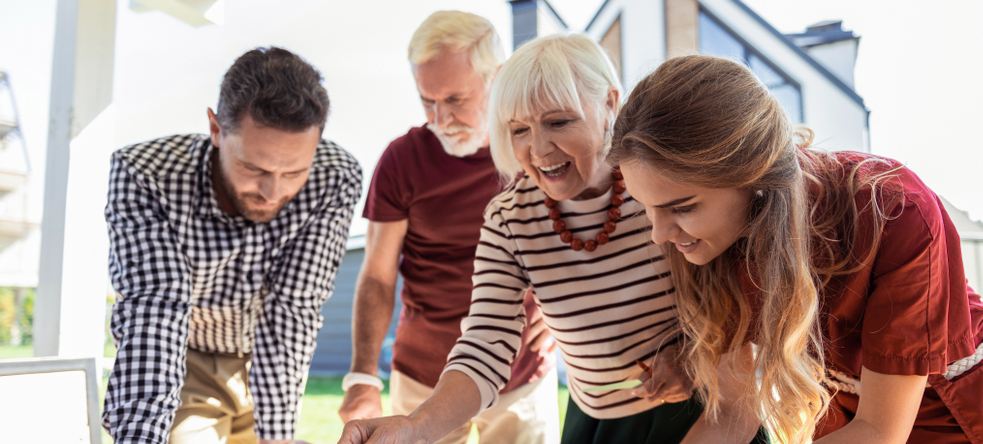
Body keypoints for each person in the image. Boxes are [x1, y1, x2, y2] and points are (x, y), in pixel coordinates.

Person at [338, 33, 723, 444]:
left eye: (559, 122)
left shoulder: (659, 183)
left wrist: (699, 353)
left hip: (702, 408)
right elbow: (486, 343)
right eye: (519, 129)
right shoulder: (509, 219)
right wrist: (417, 426)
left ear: (610, 103)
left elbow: (732, 283)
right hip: (595, 421)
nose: (538, 149)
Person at [608, 54, 983, 443]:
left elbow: (881, 431)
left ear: (753, 175)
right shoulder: (716, 245)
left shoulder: (896, 211)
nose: (659, 235)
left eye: (682, 208)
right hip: (843, 421)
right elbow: (730, 416)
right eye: (647, 209)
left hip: (951, 418)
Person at [103, 47, 362, 444]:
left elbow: (292, 309)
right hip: (188, 364)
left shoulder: (335, 178)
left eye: (294, 172)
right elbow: (154, 315)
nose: (273, 192)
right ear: (216, 129)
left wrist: (277, 438)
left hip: (272, 362)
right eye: (253, 168)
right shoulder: (146, 176)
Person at [336, 10, 559, 444]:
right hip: (423, 375)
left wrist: (560, 312)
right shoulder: (401, 160)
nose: (439, 118)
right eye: (427, 100)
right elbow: (378, 275)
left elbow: (574, 240)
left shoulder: (536, 151)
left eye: (455, 99)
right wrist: (362, 374)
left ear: (496, 78)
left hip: (522, 374)